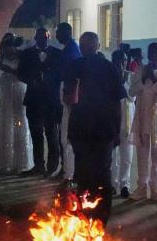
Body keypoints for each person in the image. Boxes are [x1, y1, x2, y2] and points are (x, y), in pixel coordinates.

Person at [62, 32, 126, 224]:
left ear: (95, 46)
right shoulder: (106, 67)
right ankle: (98, 218)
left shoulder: (81, 66)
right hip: (94, 130)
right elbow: (117, 102)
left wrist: (116, 130)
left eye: (87, 45)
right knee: (97, 173)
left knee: (88, 174)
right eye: (84, 45)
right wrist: (116, 129)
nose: (86, 49)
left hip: (94, 129)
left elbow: (68, 99)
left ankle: (89, 217)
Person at [17, 27, 62, 176]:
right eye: (40, 37)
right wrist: (32, 79)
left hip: (51, 100)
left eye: (45, 37)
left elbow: (60, 74)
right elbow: (20, 74)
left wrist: (48, 79)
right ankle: (38, 166)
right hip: (33, 99)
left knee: (51, 133)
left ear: (48, 38)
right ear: (35, 39)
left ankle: (52, 166)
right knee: (36, 134)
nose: (43, 39)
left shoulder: (57, 54)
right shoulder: (27, 54)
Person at [129, 43, 157, 201]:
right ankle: (141, 187)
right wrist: (142, 81)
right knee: (142, 154)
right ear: (147, 54)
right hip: (141, 119)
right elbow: (132, 91)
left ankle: (155, 188)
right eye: (151, 53)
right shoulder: (140, 70)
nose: (154, 56)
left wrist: (152, 80)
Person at [0, 34, 32, 173]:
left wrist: (7, 69)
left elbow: (24, 74)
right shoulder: (1, 57)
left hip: (18, 89)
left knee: (19, 122)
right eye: (4, 46)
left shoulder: (21, 56)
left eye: (8, 46)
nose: (7, 49)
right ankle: (4, 161)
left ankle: (20, 161)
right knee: (5, 123)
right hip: (5, 89)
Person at [56, 22, 82, 183]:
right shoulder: (69, 49)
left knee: (67, 137)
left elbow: (73, 77)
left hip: (71, 100)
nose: (56, 35)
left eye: (58, 32)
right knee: (65, 137)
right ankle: (67, 170)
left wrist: (70, 98)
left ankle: (69, 173)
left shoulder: (71, 51)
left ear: (67, 32)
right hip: (67, 97)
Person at [110, 49, 134, 198]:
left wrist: (124, 82)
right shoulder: (108, 77)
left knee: (127, 154)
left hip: (128, 116)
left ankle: (125, 184)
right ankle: (113, 183)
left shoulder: (131, 76)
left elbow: (132, 96)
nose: (121, 63)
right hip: (113, 117)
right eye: (118, 60)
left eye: (124, 60)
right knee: (113, 154)